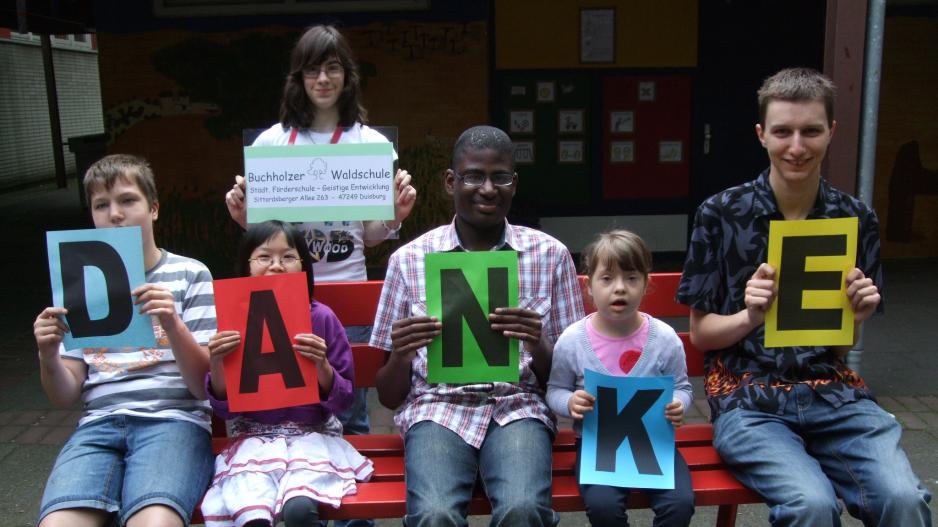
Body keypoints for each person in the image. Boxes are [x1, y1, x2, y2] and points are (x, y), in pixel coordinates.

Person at [676, 68, 932, 526]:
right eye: (783, 132)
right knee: (810, 505)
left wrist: (858, 315)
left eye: (811, 131)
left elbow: (837, 347)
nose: (797, 147)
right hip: (748, 398)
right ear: (761, 135)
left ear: (831, 132)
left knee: (904, 499)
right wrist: (750, 316)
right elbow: (701, 336)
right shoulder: (720, 214)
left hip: (833, 397)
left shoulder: (854, 218)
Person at [223, 27, 415, 527]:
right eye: (313, 68)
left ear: (347, 76)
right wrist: (244, 219)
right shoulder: (272, 142)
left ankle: (355, 520)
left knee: (347, 418)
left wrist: (394, 215)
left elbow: (371, 234)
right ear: (299, 77)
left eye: (333, 68)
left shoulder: (369, 144)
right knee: (283, 414)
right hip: (281, 301)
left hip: (345, 298)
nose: (323, 78)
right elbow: (263, 235)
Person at [370, 125, 585, 527]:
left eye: (500, 176)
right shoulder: (410, 260)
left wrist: (537, 342)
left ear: (514, 184)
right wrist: (401, 353)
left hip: (519, 407)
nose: (488, 188)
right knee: (433, 515)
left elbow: (568, 379)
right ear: (451, 181)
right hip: (436, 408)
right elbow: (387, 395)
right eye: (473, 176)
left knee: (524, 510)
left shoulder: (550, 256)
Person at [33, 154, 217, 526]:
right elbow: (64, 394)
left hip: (174, 421)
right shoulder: (76, 281)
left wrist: (172, 324)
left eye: (127, 200)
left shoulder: (191, 273)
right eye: (101, 205)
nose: (114, 214)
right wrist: (48, 354)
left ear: (153, 209)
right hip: (98, 425)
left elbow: (203, 387)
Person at [200, 220, 372, 527]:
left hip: (313, 438)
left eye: (288, 257)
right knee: (250, 514)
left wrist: (322, 367)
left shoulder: (322, 318)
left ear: (304, 266)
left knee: (301, 510)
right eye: (264, 257)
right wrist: (216, 363)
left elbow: (345, 399)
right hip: (252, 442)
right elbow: (223, 407)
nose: (276, 266)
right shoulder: (232, 319)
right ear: (246, 266)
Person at [547, 230, 694, 527]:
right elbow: (555, 390)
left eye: (631, 278)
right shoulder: (573, 340)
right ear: (588, 286)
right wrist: (570, 403)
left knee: (680, 504)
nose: (619, 288)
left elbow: (682, 387)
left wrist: (679, 403)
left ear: (646, 284)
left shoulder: (664, 339)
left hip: (653, 444)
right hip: (598, 447)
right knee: (603, 506)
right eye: (607, 278)